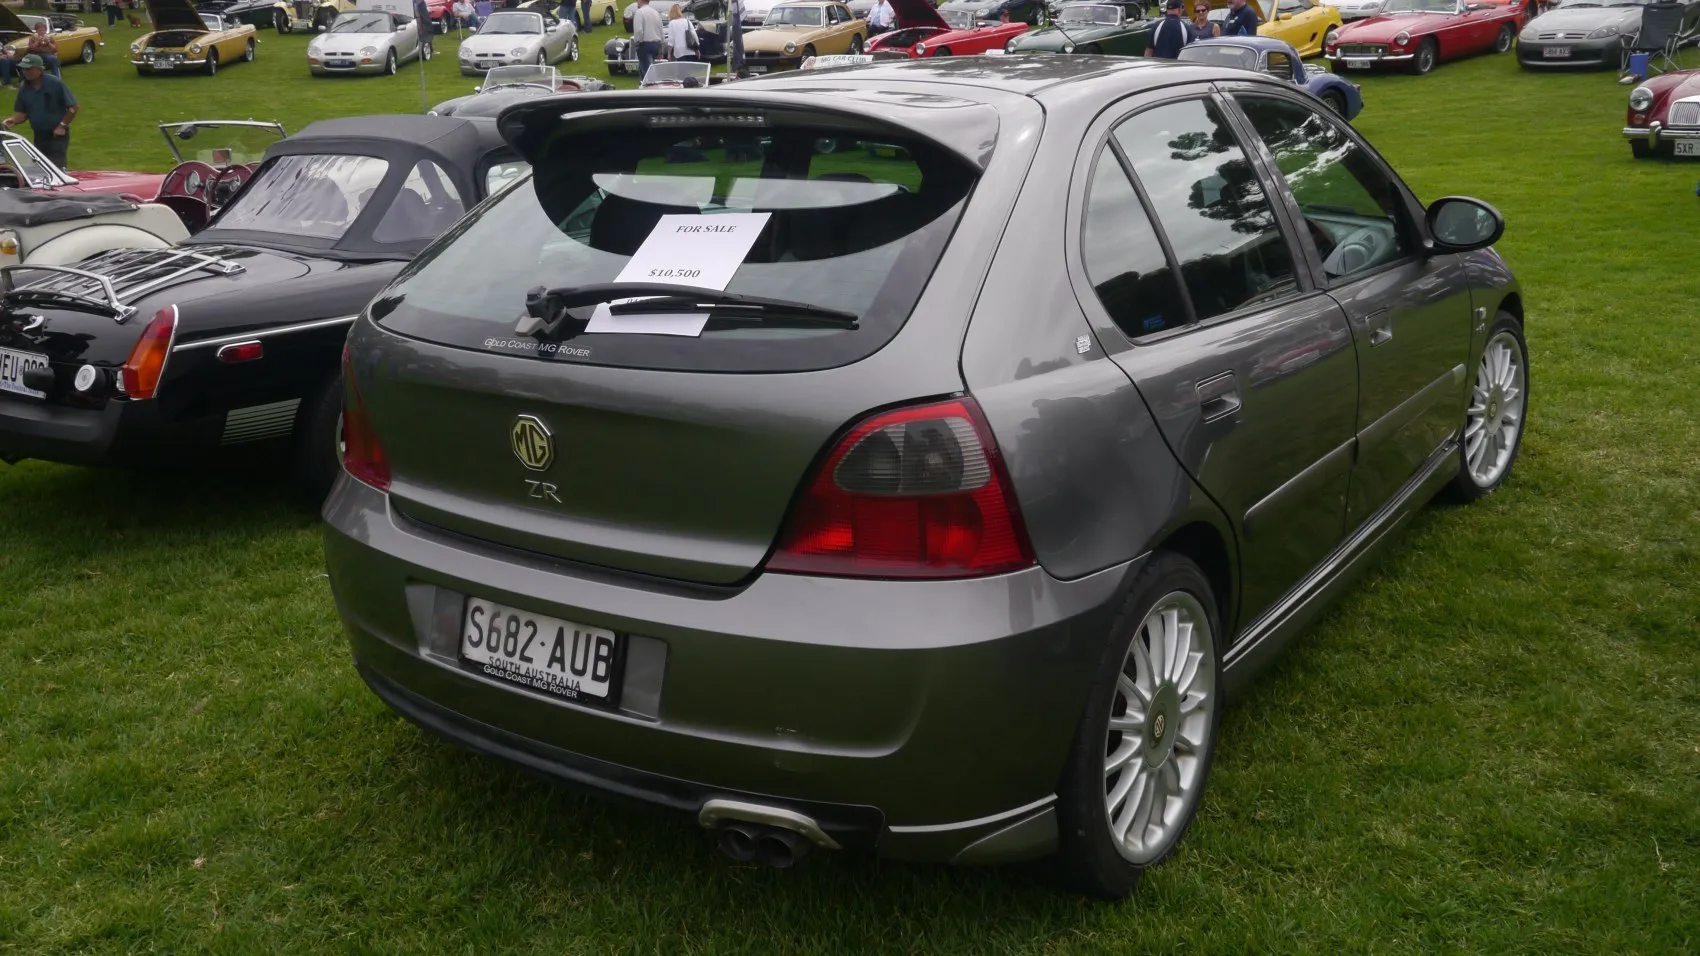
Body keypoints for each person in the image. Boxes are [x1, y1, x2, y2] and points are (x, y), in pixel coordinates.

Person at [1, 55, 76, 168]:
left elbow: (73, 108)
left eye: (29, 69)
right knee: (40, 168)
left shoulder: (55, 83)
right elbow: (23, 113)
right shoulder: (24, 88)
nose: (25, 72)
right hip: (39, 135)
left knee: (56, 167)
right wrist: (13, 120)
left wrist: (62, 126)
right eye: (23, 69)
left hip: (56, 134)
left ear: (40, 69)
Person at [632, 0, 664, 78]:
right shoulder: (655, 12)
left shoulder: (639, 12)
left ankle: (650, 84)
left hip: (645, 45)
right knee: (646, 71)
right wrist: (661, 48)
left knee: (648, 74)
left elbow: (638, 31)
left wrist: (637, 42)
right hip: (656, 45)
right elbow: (661, 31)